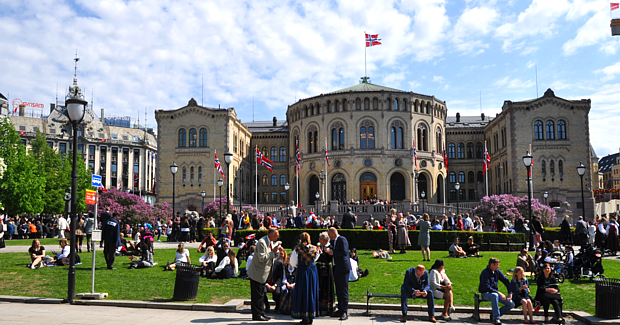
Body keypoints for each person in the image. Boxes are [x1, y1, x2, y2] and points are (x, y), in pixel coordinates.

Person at [247, 228, 283, 322]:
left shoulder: (270, 241)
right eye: (276, 234)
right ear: (270, 234)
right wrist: (273, 252)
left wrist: (276, 253)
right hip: (257, 273)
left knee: (261, 294)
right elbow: (262, 258)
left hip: (263, 274)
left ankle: (262, 313)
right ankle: (257, 315)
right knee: (257, 296)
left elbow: (271, 256)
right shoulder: (262, 242)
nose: (277, 237)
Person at [291, 232, 320, 324]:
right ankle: (311, 316)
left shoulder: (297, 250)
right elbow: (316, 258)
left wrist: (300, 265)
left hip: (302, 271)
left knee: (303, 292)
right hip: (312, 272)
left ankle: (304, 317)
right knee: (311, 292)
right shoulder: (315, 248)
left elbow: (292, 262)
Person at [479, 257, 515, 325]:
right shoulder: (485, 273)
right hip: (486, 294)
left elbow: (506, 281)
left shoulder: (497, 271)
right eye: (497, 265)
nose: (498, 266)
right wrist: (499, 293)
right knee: (494, 295)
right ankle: (496, 318)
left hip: (495, 294)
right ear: (492, 265)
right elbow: (487, 287)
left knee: (511, 304)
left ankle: (493, 314)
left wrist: (510, 293)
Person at [326, 227, 351, 321]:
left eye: (329, 235)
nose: (329, 237)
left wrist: (333, 253)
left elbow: (344, 252)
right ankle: (340, 309)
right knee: (339, 290)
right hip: (337, 268)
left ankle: (345, 311)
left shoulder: (342, 239)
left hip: (343, 268)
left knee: (343, 290)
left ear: (333, 233)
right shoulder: (336, 241)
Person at [316, 231, 335, 316]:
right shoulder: (319, 247)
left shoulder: (330, 247)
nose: (320, 240)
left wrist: (324, 253)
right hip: (319, 269)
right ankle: (319, 307)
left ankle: (328, 308)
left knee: (327, 288)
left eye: (321, 239)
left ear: (326, 239)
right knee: (319, 287)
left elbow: (329, 258)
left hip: (327, 269)